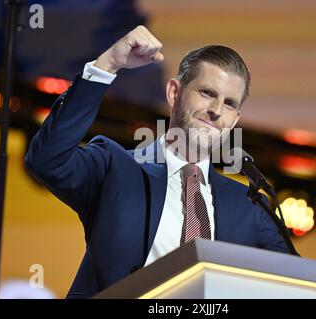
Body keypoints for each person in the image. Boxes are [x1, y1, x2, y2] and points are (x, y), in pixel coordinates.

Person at [25, 25, 292, 299]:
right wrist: (109, 63)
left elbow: (295, 285)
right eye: (207, 93)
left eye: (229, 103)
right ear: (174, 93)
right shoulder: (115, 168)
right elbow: (46, 159)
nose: (215, 111)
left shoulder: (250, 205)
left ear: (235, 119)